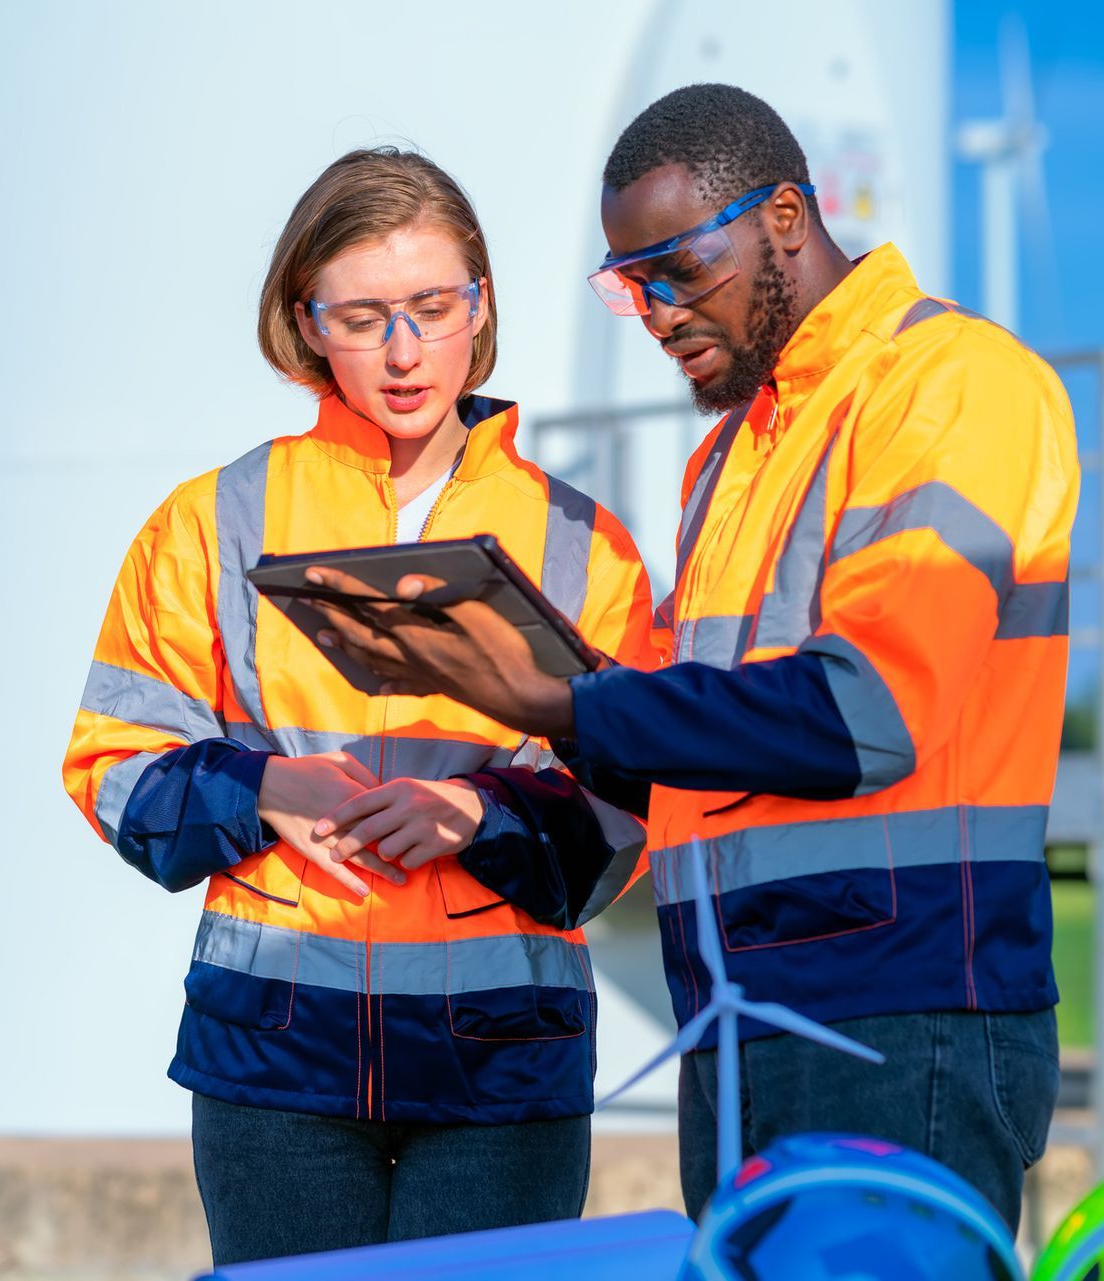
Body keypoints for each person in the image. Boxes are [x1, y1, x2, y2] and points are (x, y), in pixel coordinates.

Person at [302, 85, 1078, 1234]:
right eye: (630, 283)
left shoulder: (951, 386)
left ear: (783, 218)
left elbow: (869, 715)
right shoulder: (728, 458)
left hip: (904, 1014)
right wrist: (495, 797)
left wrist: (564, 698)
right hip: (740, 1018)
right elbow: (677, 750)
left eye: (675, 268)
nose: (657, 311)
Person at [61, 147, 655, 1266]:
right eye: (363, 315)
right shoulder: (215, 520)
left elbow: (632, 813)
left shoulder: (586, 547)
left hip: (503, 1067)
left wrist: (483, 816)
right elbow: (114, 768)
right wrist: (262, 785)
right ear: (304, 321)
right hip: (274, 1065)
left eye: (433, 307)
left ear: (480, 308)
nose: (402, 350)